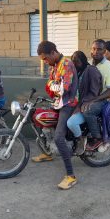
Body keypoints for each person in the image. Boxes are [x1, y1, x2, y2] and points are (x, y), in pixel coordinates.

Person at [33, 41, 78, 190]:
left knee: (59, 137)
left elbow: (63, 89)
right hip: (58, 102)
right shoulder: (54, 66)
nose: (45, 62)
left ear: (53, 52)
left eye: (45, 59)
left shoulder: (66, 64)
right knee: (39, 118)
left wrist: (53, 86)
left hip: (68, 104)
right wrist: (53, 86)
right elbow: (50, 85)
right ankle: (48, 153)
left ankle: (71, 176)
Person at [82, 39, 110, 150]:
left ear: (104, 51)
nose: (96, 51)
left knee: (88, 111)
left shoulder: (109, 67)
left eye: (99, 49)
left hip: (103, 99)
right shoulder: (87, 64)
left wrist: (94, 100)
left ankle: (97, 138)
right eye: (94, 48)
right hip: (87, 97)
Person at [67, 51, 102, 155]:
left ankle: (80, 141)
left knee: (71, 122)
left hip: (88, 105)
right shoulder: (79, 72)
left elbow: (94, 93)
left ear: (83, 61)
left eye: (77, 62)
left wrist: (79, 106)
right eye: (73, 62)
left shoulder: (91, 70)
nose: (74, 64)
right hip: (80, 104)